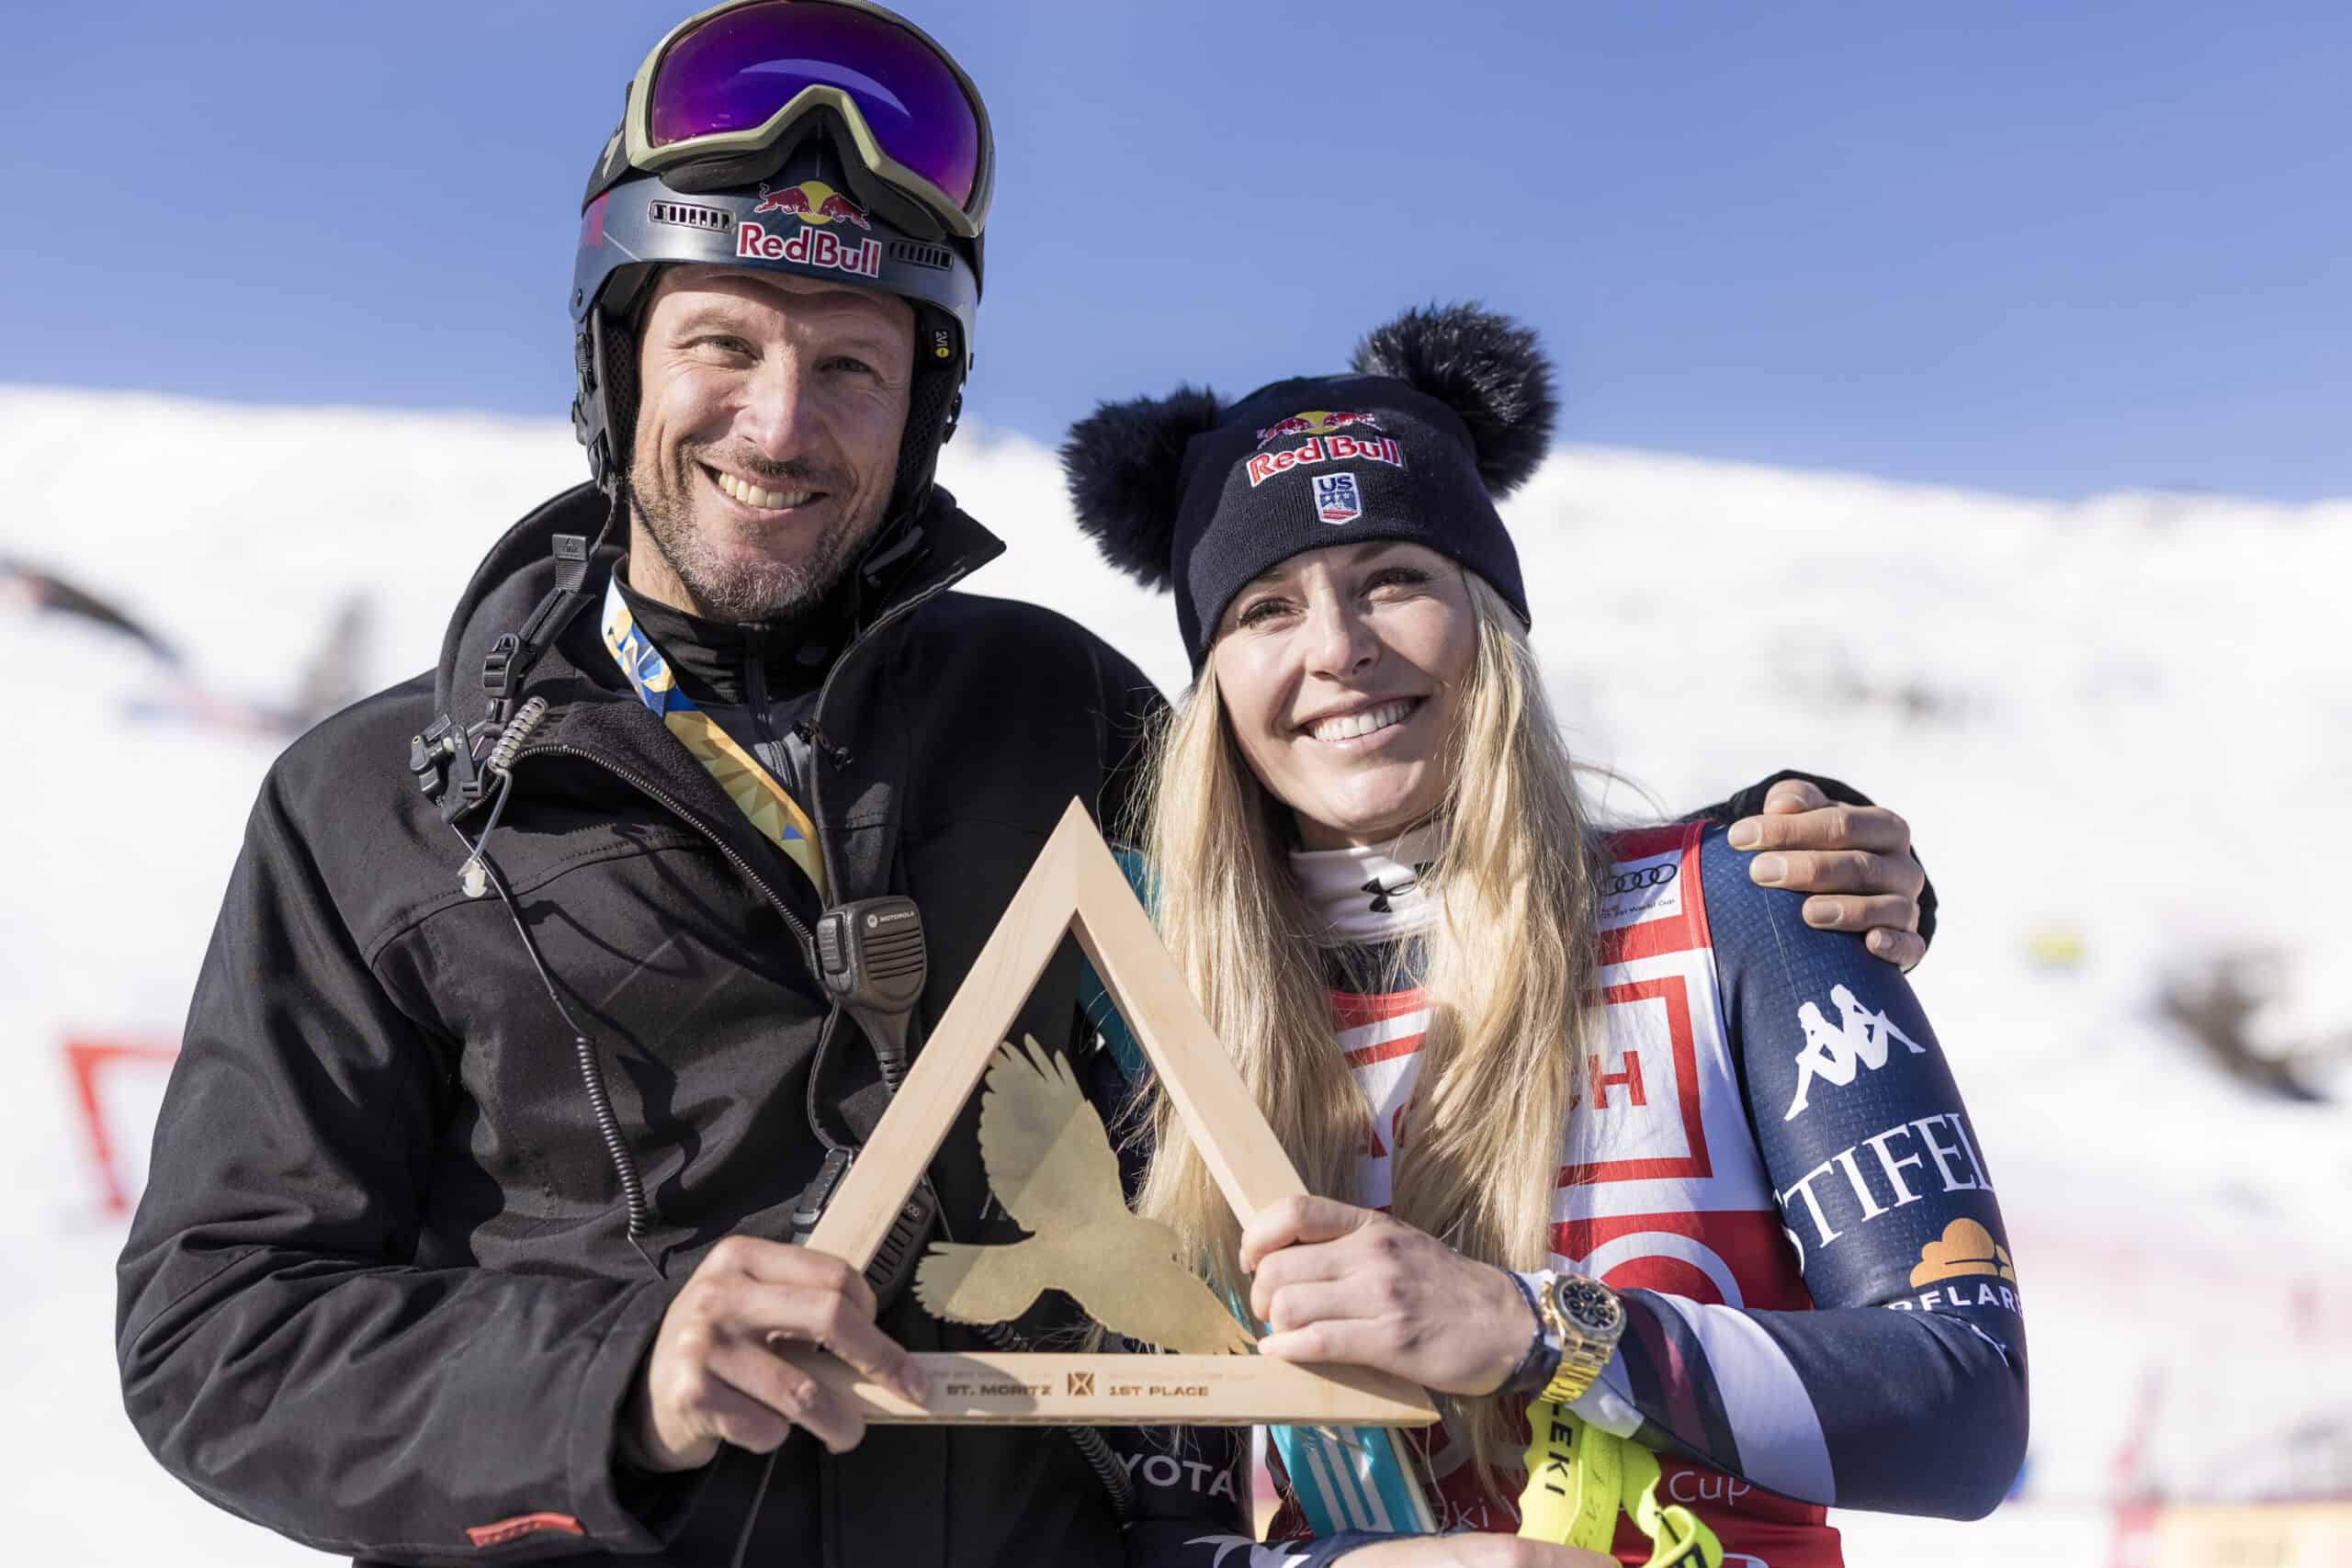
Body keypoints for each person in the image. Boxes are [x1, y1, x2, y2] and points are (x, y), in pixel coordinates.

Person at [115, 5, 1932, 1563]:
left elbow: (1396, 881)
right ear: (616, 364)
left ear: (922, 405)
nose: (779, 422)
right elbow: (216, 1328)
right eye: (722, 346)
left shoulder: (1060, 711)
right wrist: (618, 1377)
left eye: (848, 366)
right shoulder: (375, 805)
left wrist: (1763, 875)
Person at [1062, 303, 2027, 1566]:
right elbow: (1140, 1528)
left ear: (1491, 625)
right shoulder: (1165, 1019)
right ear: (1215, 688)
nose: (1340, 651)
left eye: (1393, 580)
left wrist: (1536, 1330)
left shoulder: (1741, 908)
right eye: (1265, 610)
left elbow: (1967, 1413)